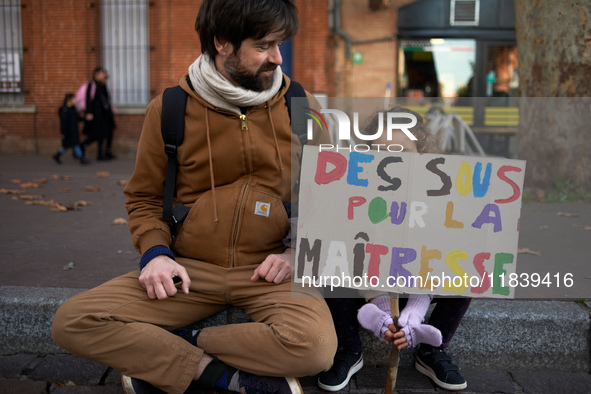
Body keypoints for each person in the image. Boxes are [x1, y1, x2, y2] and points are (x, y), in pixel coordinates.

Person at [51, 1, 337, 394]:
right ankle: (218, 374)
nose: (277, 58)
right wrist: (155, 254)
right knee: (72, 320)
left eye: (280, 44)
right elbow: (144, 198)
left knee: (317, 349)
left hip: (271, 270)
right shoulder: (169, 109)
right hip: (188, 271)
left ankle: (178, 347)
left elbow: (331, 194)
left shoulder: (303, 106)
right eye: (263, 46)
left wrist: (295, 254)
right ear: (222, 43)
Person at [317, 107, 471, 392]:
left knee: (471, 269)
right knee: (327, 265)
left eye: (401, 150)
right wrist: (380, 311)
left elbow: (435, 257)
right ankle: (350, 349)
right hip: (366, 282)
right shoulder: (359, 191)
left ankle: (431, 350)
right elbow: (355, 254)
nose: (391, 159)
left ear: (421, 152)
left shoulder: (438, 194)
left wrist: (414, 313)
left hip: (421, 281)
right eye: (381, 150)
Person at [80, 67, 116, 161]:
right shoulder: (92, 85)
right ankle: (82, 146)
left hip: (104, 114)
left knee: (103, 134)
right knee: (96, 134)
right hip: (96, 114)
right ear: (96, 74)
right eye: (102, 74)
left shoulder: (102, 85)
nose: (103, 76)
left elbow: (106, 99)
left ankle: (101, 154)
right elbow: (89, 99)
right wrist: (89, 112)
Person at [52, 93, 89, 165]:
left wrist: (85, 118)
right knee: (75, 144)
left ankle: (57, 155)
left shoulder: (73, 109)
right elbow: (63, 123)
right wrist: (63, 132)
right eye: (74, 99)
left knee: (67, 146)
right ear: (69, 100)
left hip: (74, 130)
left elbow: (77, 118)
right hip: (69, 131)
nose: (75, 101)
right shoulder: (65, 110)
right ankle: (81, 158)